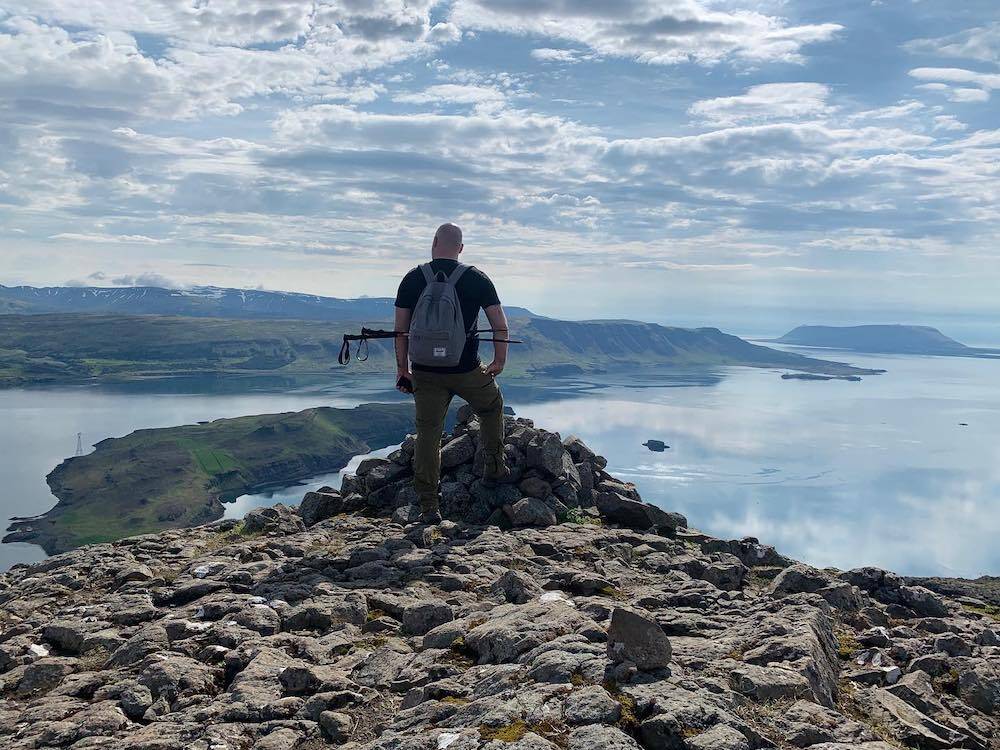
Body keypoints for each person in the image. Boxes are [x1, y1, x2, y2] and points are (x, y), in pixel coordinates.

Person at [393, 222, 510, 523]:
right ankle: (494, 467)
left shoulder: (412, 278)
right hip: (466, 369)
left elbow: (401, 331)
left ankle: (429, 506)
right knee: (492, 405)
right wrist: (498, 362)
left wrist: (402, 370)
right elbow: (500, 326)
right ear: (460, 248)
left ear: (433, 243)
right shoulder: (476, 279)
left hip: (425, 372)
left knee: (428, 434)